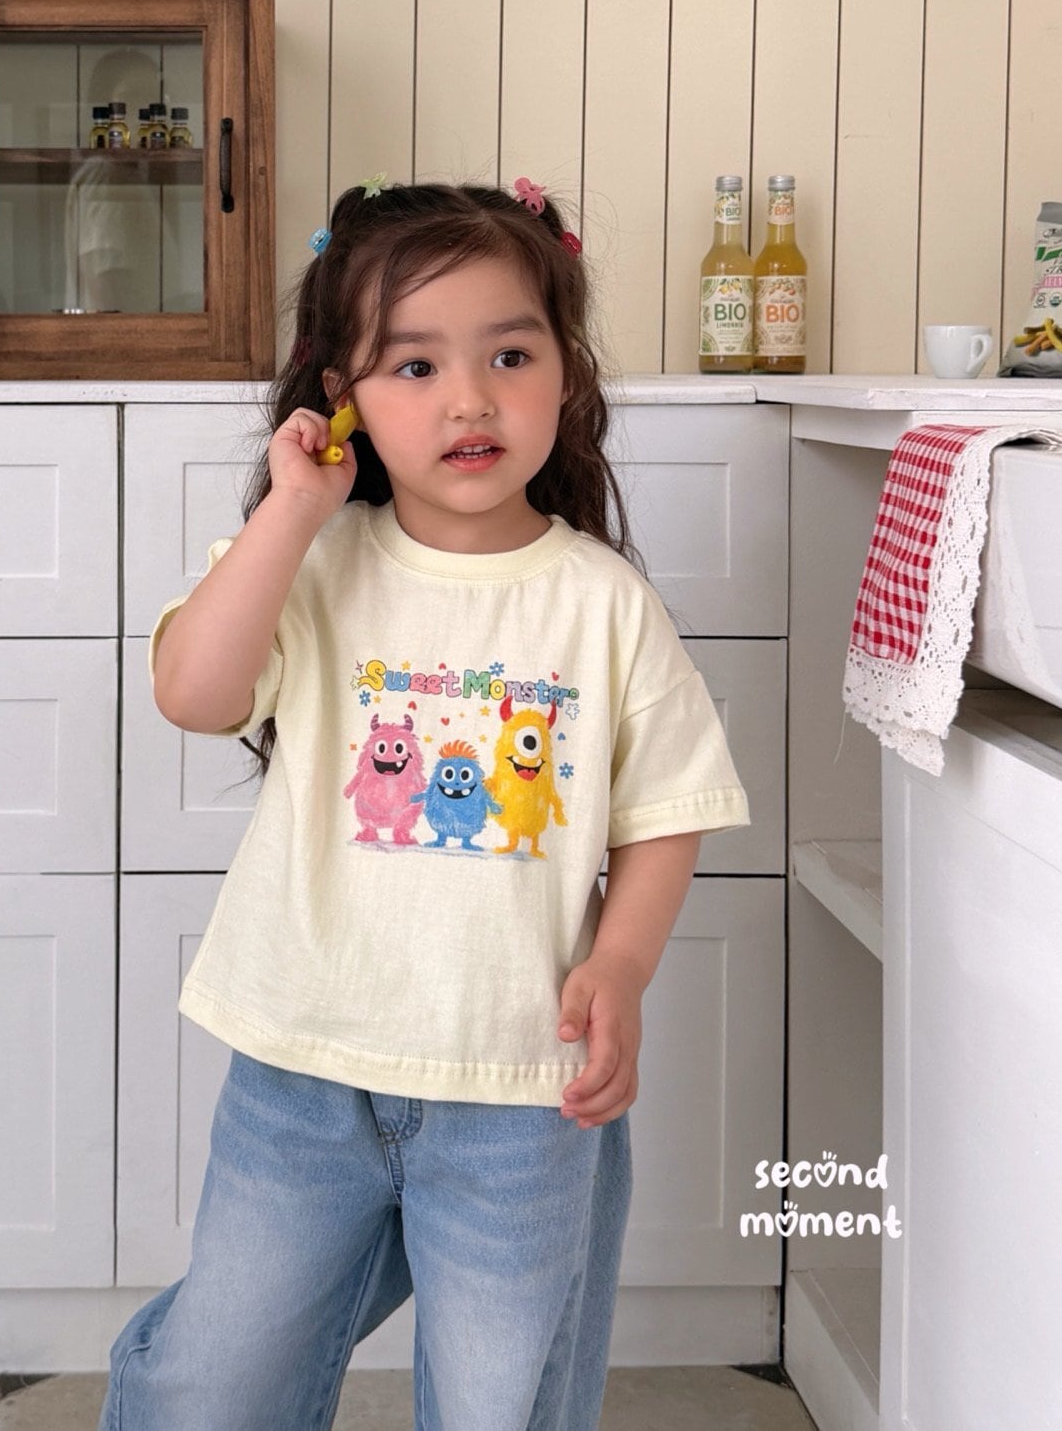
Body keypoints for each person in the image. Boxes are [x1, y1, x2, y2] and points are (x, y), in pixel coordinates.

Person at [98, 177, 751, 1431]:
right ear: (338, 397)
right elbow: (193, 691)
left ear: (565, 375)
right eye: (412, 365)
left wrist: (619, 966)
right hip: (301, 1070)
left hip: (520, 1094)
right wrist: (291, 510)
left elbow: (664, 809)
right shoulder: (313, 564)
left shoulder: (602, 602)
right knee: (213, 1384)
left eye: (509, 354)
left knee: (499, 1404)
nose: (468, 400)